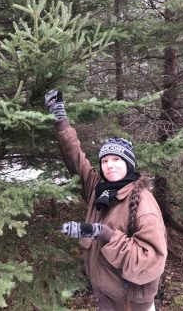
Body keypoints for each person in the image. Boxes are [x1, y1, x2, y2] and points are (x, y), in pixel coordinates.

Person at [45, 90, 167, 311]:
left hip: (131, 303)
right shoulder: (99, 190)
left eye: (117, 160)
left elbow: (150, 262)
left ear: (129, 164)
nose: (109, 165)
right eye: (105, 160)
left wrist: (103, 234)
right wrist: (60, 118)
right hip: (105, 296)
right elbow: (76, 160)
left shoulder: (144, 204)